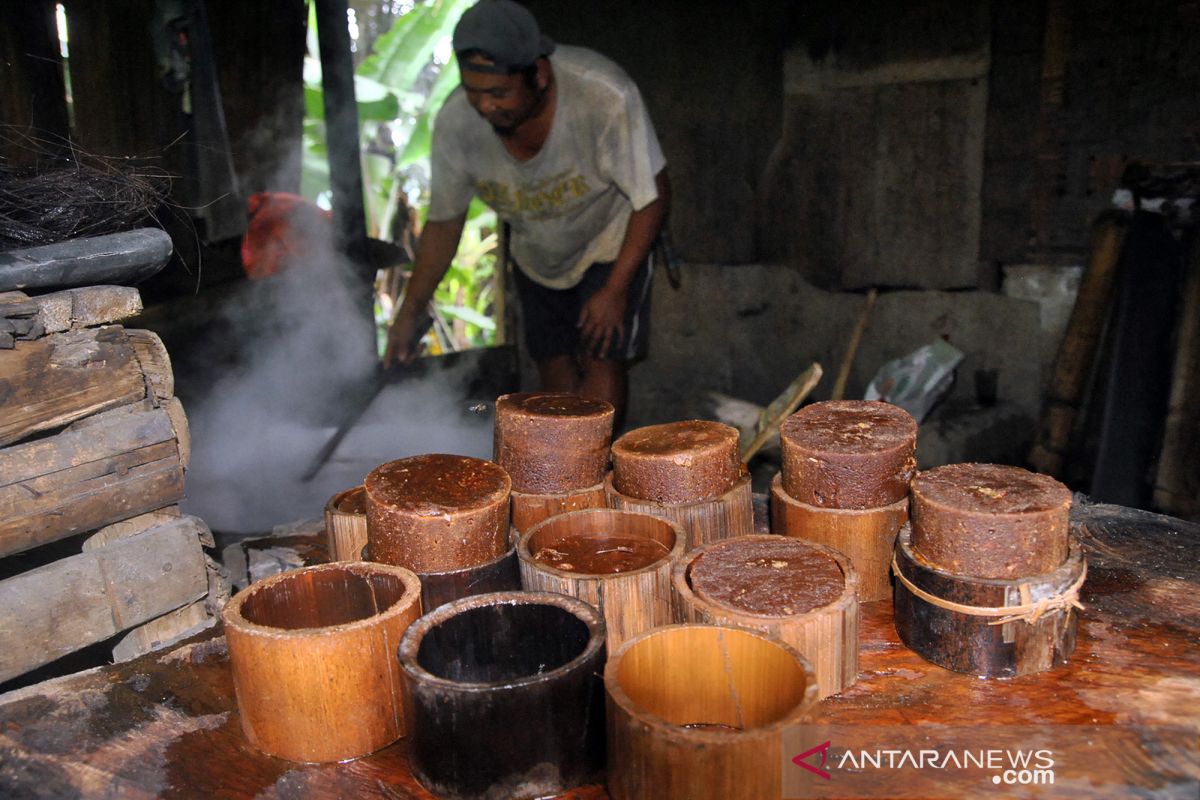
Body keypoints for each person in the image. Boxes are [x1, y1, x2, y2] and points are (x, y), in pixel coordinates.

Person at [383, 0, 670, 426]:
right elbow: (444, 223)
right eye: (473, 91)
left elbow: (653, 195)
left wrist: (615, 290)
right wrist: (411, 308)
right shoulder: (456, 124)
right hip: (537, 254)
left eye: (499, 93)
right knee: (552, 366)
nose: (485, 107)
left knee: (602, 356)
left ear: (539, 73)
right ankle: (560, 473)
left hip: (610, 242)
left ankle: (590, 468)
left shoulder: (602, 96)